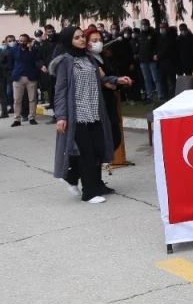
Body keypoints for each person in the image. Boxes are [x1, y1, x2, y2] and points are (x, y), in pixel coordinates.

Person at [53, 27, 132, 203]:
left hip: (95, 111)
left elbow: (101, 79)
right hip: (77, 115)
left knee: (98, 149)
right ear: (68, 41)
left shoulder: (89, 59)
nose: (82, 40)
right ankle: (89, 193)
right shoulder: (65, 62)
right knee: (86, 153)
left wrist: (117, 80)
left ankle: (76, 179)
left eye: (82, 36)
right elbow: (60, 91)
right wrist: (61, 116)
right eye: (77, 38)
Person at [9, 33, 44, 126]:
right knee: (17, 100)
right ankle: (17, 119)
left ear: (28, 41)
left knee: (32, 99)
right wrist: (13, 73)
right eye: (20, 41)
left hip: (31, 77)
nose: (22, 42)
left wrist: (30, 49)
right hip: (18, 77)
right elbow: (10, 63)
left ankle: (32, 117)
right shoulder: (14, 50)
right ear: (18, 41)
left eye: (24, 41)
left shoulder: (33, 50)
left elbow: (37, 60)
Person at [137, 19, 161, 103]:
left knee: (156, 78)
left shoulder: (153, 34)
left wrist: (156, 54)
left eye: (145, 24)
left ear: (148, 24)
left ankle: (160, 95)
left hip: (152, 60)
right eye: (142, 24)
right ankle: (149, 96)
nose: (144, 26)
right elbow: (139, 47)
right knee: (146, 79)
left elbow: (157, 46)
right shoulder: (139, 35)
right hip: (143, 61)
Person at [156, 23, 178, 99]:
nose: (161, 29)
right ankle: (166, 96)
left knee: (172, 80)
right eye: (160, 27)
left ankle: (173, 95)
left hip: (170, 62)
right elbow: (158, 48)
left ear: (167, 28)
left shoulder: (171, 37)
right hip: (161, 63)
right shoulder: (160, 37)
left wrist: (158, 56)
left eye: (163, 27)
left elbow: (167, 49)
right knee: (162, 80)